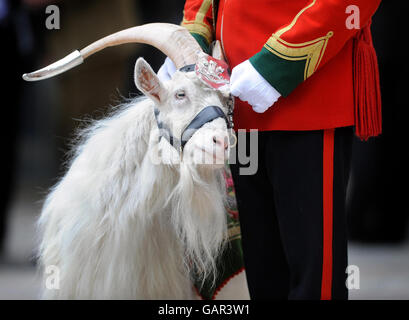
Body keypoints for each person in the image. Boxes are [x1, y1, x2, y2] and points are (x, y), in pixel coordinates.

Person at [158, 0, 382, 300]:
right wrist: (188, 47)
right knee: (262, 274)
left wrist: (277, 65)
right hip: (236, 100)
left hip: (310, 99)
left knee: (314, 280)